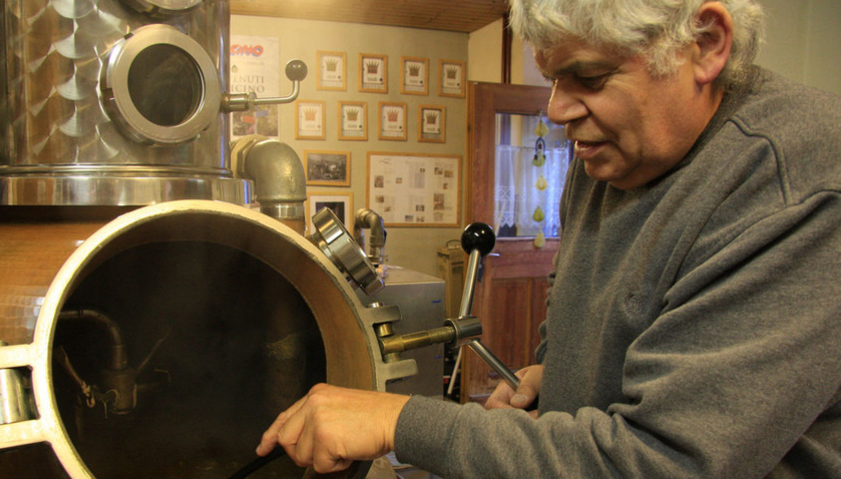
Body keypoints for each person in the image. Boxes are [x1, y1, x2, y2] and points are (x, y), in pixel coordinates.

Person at [256, 0, 841, 477]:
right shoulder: (606, 162)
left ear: (706, 43)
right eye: (553, 78)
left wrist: (399, 422)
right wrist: (553, 378)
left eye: (588, 77)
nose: (557, 110)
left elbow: (666, 462)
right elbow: (584, 320)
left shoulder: (795, 183)